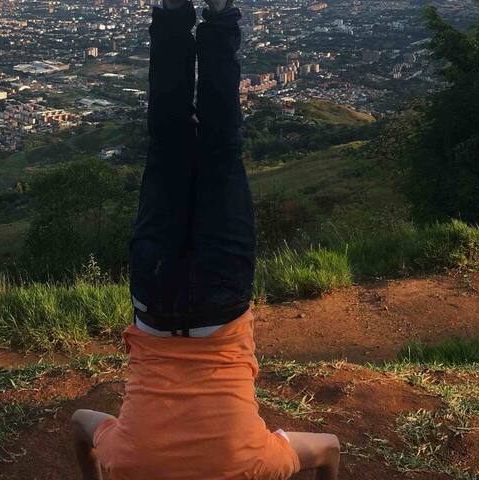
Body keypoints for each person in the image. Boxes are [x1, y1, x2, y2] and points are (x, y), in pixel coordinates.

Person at [67, 0, 342, 478]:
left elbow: (330, 448)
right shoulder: (130, 465)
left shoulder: (250, 466)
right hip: (154, 299)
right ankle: (174, 11)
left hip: (221, 298)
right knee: (169, 140)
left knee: (220, 146)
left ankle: (218, 14)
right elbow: (81, 423)